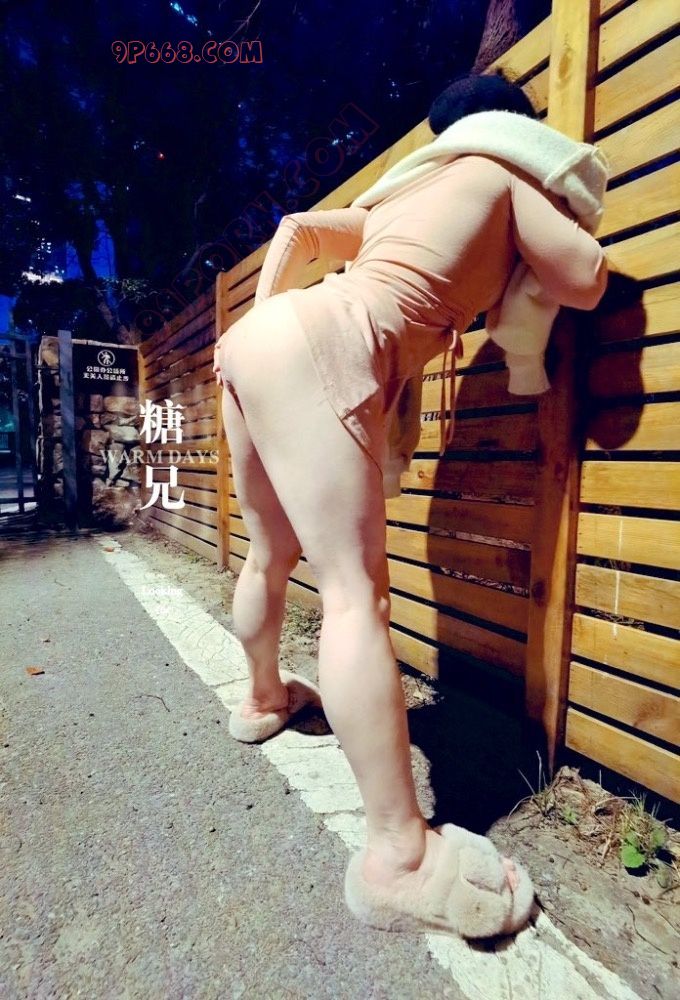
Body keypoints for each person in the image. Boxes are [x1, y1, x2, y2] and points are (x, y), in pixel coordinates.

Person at [212, 71, 608, 939]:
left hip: (255, 340)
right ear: (515, 130)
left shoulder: (399, 196)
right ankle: (397, 858)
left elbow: (295, 229)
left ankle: (264, 699)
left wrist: (265, 329)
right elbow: (585, 277)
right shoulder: (500, 173)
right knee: (356, 597)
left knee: (269, 553)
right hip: (323, 340)